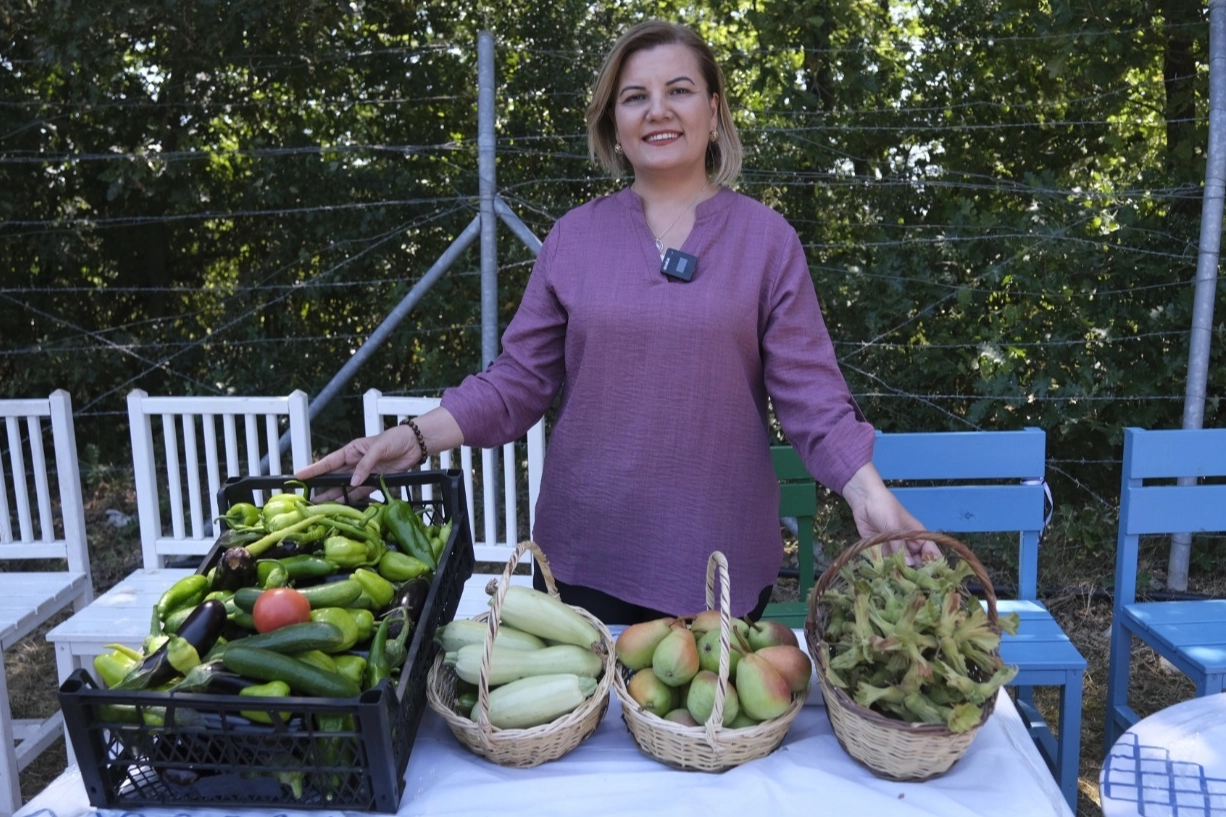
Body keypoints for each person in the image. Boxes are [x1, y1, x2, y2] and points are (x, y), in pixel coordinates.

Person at [297, 20, 936, 624]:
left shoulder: (767, 241)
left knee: (699, 738)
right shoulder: (574, 239)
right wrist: (410, 438)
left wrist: (869, 497)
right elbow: (516, 383)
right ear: (614, 123)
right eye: (635, 97)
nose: (658, 110)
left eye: (679, 91)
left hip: (720, 570)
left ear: (713, 111)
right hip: (581, 562)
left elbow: (814, 402)